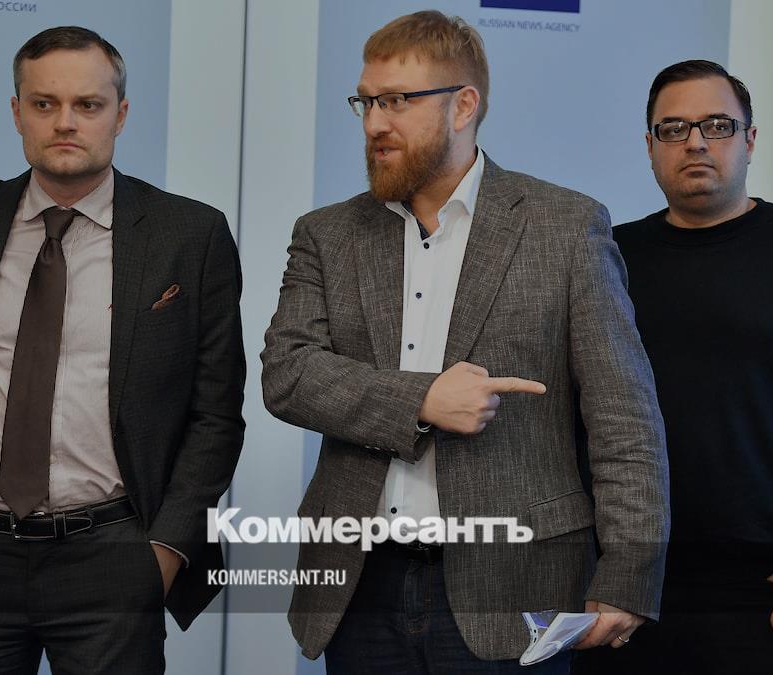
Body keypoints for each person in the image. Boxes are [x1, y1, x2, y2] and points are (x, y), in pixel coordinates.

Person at [260, 10, 669, 673]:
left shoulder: (566, 227)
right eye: (366, 102)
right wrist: (424, 399)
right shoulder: (327, 234)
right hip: (361, 584)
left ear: (463, 105)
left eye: (397, 101)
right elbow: (288, 373)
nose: (374, 123)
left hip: (517, 584)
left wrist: (628, 571)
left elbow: (624, 419)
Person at [0, 26, 246, 674]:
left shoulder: (189, 234)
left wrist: (163, 552)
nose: (65, 122)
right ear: (16, 112)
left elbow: (216, 413)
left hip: (113, 554)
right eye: (44, 103)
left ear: (121, 114)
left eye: (88, 105)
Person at [573, 60, 773, 675]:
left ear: (749, 140)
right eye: (674, 129)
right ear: (650, 146)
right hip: (628, 582)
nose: (696, 142)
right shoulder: (608, 257)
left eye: (718, 125)